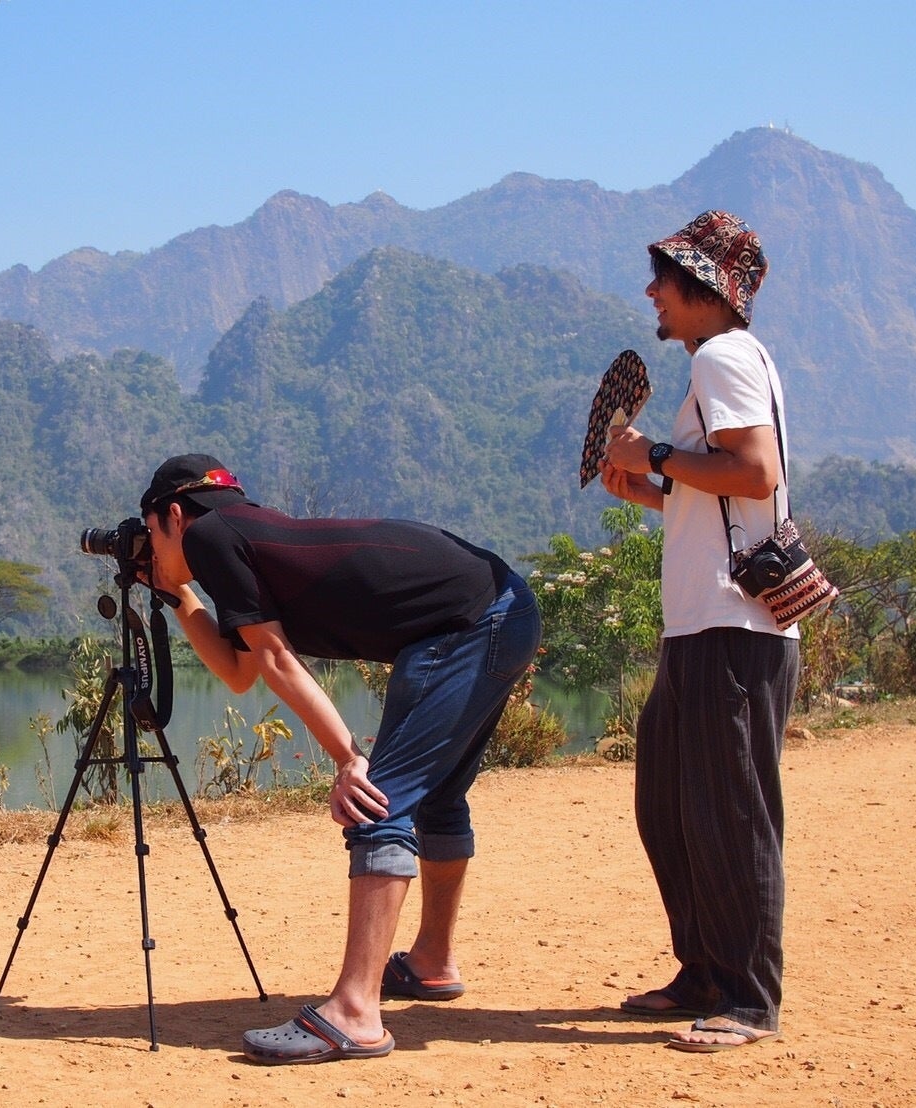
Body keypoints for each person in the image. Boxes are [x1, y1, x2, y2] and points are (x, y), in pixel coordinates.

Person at [136, 454, 541, 1064]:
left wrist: (348, 758)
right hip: (501, 612)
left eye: (151, 533)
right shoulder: (245, 537)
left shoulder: (212, 535)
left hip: (468, 625)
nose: (151, 547)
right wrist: (176, 594)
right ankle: (431, 962)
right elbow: (241, 671)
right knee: (436, 797)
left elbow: (276, 661)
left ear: (174, 514)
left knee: (375, 802)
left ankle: (355, 1013)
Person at [600, 210, 800, 1052]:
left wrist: (652, 455)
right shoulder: (716, 363)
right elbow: (718, 494)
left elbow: (755, 472)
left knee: (731, 811)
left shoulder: (722, 357)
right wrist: (651, 488)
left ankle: (748, 998)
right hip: (702, 624)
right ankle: (706, 971)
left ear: (706, 289)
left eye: (667, 279)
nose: (653, 291)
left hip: (731, 626)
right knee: (671, 805)